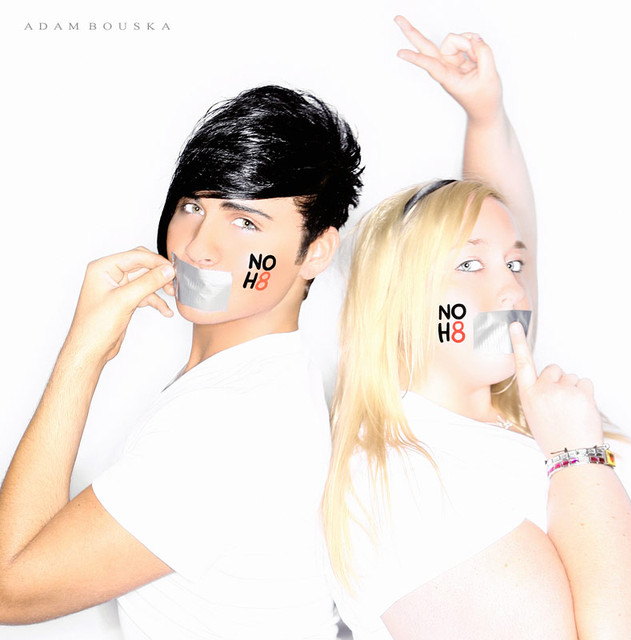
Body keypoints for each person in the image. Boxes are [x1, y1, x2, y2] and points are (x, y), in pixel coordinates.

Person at [0, 85, 363, 638]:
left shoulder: (229, 421)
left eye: (245, 222)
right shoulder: (262, 378)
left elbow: (8, 589)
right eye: (193, 206)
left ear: (315, 251)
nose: (196, 247)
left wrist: (82, 353)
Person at [323, 21, 631, 640]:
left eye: (516, 266)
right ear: (400, 300)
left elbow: (504, 231)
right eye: (469, 266)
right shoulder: (399, 482)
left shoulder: (508, 405)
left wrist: (485, 117)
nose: (512, 292)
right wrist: (577, 457)